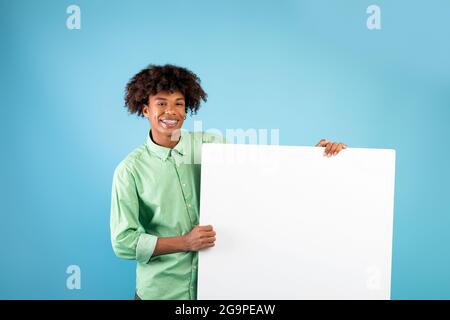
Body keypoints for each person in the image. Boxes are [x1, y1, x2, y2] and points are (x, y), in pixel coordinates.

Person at [110, 64, 347, 300]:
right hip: (161, 293)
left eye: (178, 104)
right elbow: (123, 242)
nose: (170, 111)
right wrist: (185, 242)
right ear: (145, 110)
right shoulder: (130, 170)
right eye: (161, 103)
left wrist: (315, 159)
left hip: (218, 288)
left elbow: (260, 178)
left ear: (187, 108)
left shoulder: (212, 146)